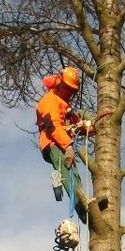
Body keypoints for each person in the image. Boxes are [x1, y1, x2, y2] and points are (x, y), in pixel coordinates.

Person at [36, 66, 89, 222]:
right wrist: (68, 146)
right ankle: (82, 207)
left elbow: (77, 125)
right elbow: (52, 126)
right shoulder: (48, 101)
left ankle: (84, 206)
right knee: (67, 172)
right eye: (67, 88)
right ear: (59, 83)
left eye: (71, 90)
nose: (68, 93)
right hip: (53, 143)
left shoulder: (64, 106)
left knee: (74, 174)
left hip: (62, 142)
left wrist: (93, 125)